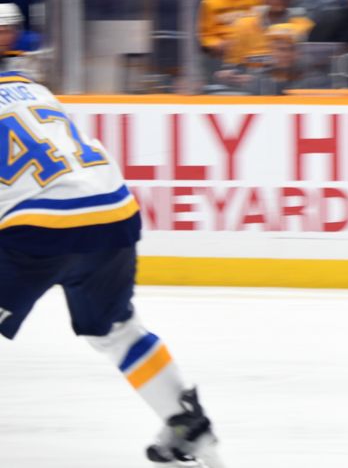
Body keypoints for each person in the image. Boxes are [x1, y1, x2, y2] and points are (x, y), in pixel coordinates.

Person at [0, 71, 225, 467]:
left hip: (38, 226)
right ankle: (189, 427)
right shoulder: (27, 84)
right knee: (118, 331)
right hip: (112, 208)